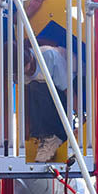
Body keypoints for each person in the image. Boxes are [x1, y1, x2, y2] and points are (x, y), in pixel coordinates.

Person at [23, 27, 70, 162]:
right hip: (52, 88)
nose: (29, 73)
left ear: (31, 58)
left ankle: (53, 135)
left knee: (38, 86)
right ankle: (45, 136)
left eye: (30, 69)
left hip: (73, 80)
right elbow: (25, 97)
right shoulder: (21, 69)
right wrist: (27, 127)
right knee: (33, 87)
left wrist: (76, 124)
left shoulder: (49, 56)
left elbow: (68, 90)